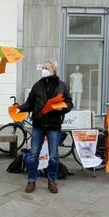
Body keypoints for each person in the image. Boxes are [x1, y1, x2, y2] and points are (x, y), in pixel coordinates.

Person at [18, 59, 73, 194]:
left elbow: (69, 103)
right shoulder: (37, 85)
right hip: (38, 125)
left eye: (46, 68)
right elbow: (30, 104)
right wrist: (19, 108)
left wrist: (63, 108)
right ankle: (31, 180)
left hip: (54, 125)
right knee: (33, 155)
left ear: (54, 70)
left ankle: (52, 180)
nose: (44, 70)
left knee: (53, 156)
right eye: (42, 68)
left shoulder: (62, 86)